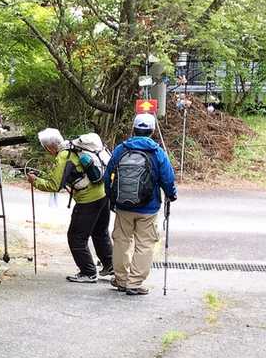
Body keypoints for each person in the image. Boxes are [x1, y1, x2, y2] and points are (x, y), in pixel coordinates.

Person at [105, 113, 178, 296]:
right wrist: (171, 195)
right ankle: (134, 283)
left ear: (134, 129)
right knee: (144, 244)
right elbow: (167, 178)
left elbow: (108, 176)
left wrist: (112, 198)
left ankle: (121, 280)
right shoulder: (157, 152)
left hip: (123, 205)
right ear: (152, 131)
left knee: (121, 241)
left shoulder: (121, 149)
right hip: (148, 207)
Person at [28, 128, 113, 283]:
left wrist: (35, 181)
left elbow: (54, 185)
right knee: (100, 232)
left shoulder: (63, 156)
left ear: (49, 147)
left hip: (88, 200)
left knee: (76, 237)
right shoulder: (73, 148)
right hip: (103, 194)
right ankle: (110, 266)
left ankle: (88, 272)